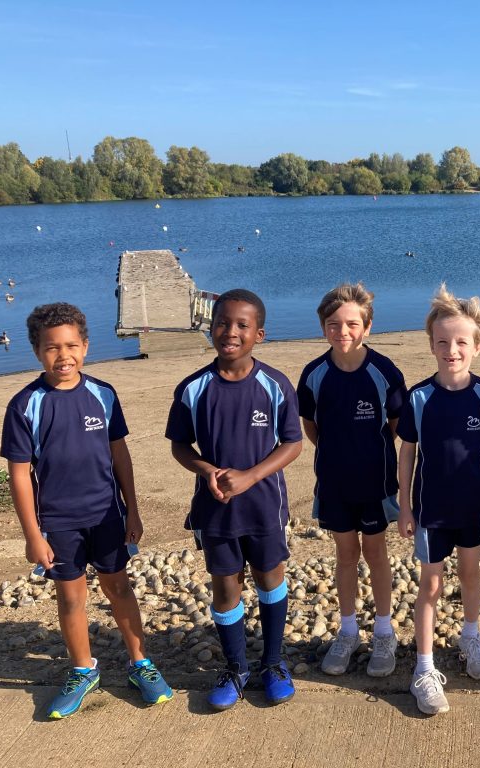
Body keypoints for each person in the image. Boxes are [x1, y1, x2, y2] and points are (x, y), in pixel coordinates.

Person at [1, 302, 172, 719]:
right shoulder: (26, 405)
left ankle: (141, 664)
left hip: (107, 515)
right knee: (71, 598)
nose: (64, 356)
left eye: (72, 346)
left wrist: (133, 510)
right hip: (58, 523)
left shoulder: (103, 394)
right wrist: (32, 535)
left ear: (86, 346)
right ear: (37, 351)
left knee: (119, 588)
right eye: (52, 348)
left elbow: (121, 457)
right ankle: (82, 669)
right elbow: (20, 475)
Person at [166, 289, 303, 711]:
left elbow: (293, 444)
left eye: (242, 325)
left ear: (258, 334)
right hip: (215, 509)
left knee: (269, 578)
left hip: (264, 505)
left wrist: (251, 476)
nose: (231, 332)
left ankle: (274, 664)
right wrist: (207, 471)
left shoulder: (274, 384)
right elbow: (179, 446)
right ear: (210, 329)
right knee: (225, 586)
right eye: (223, 323)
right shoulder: (193, 388)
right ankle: (236, 666)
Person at [396, 284, 480, 715]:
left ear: (477, 346)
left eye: (461, 342)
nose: (451, 350)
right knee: (430, 584)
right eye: (442, 342)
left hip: (472, 508)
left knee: (470, 573)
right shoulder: (420, 397)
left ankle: (470, 635)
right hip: (430, 511)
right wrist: (405, 506)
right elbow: (407, 452)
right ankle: (423, 667)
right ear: (431, 345)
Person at [297, 283, 407, 678]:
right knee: (344, 556)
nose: (342, 331)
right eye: (333, 324)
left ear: (367, 327)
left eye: (351, 324)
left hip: (375, 483)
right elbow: (312, 428)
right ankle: (347, 631)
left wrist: (365, 453)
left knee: (376, 554)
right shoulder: (314, 374)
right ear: (323, 327)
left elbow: (396, 427)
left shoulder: (384, 372)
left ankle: (383, 631)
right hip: (333, 484)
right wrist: (337, 454)